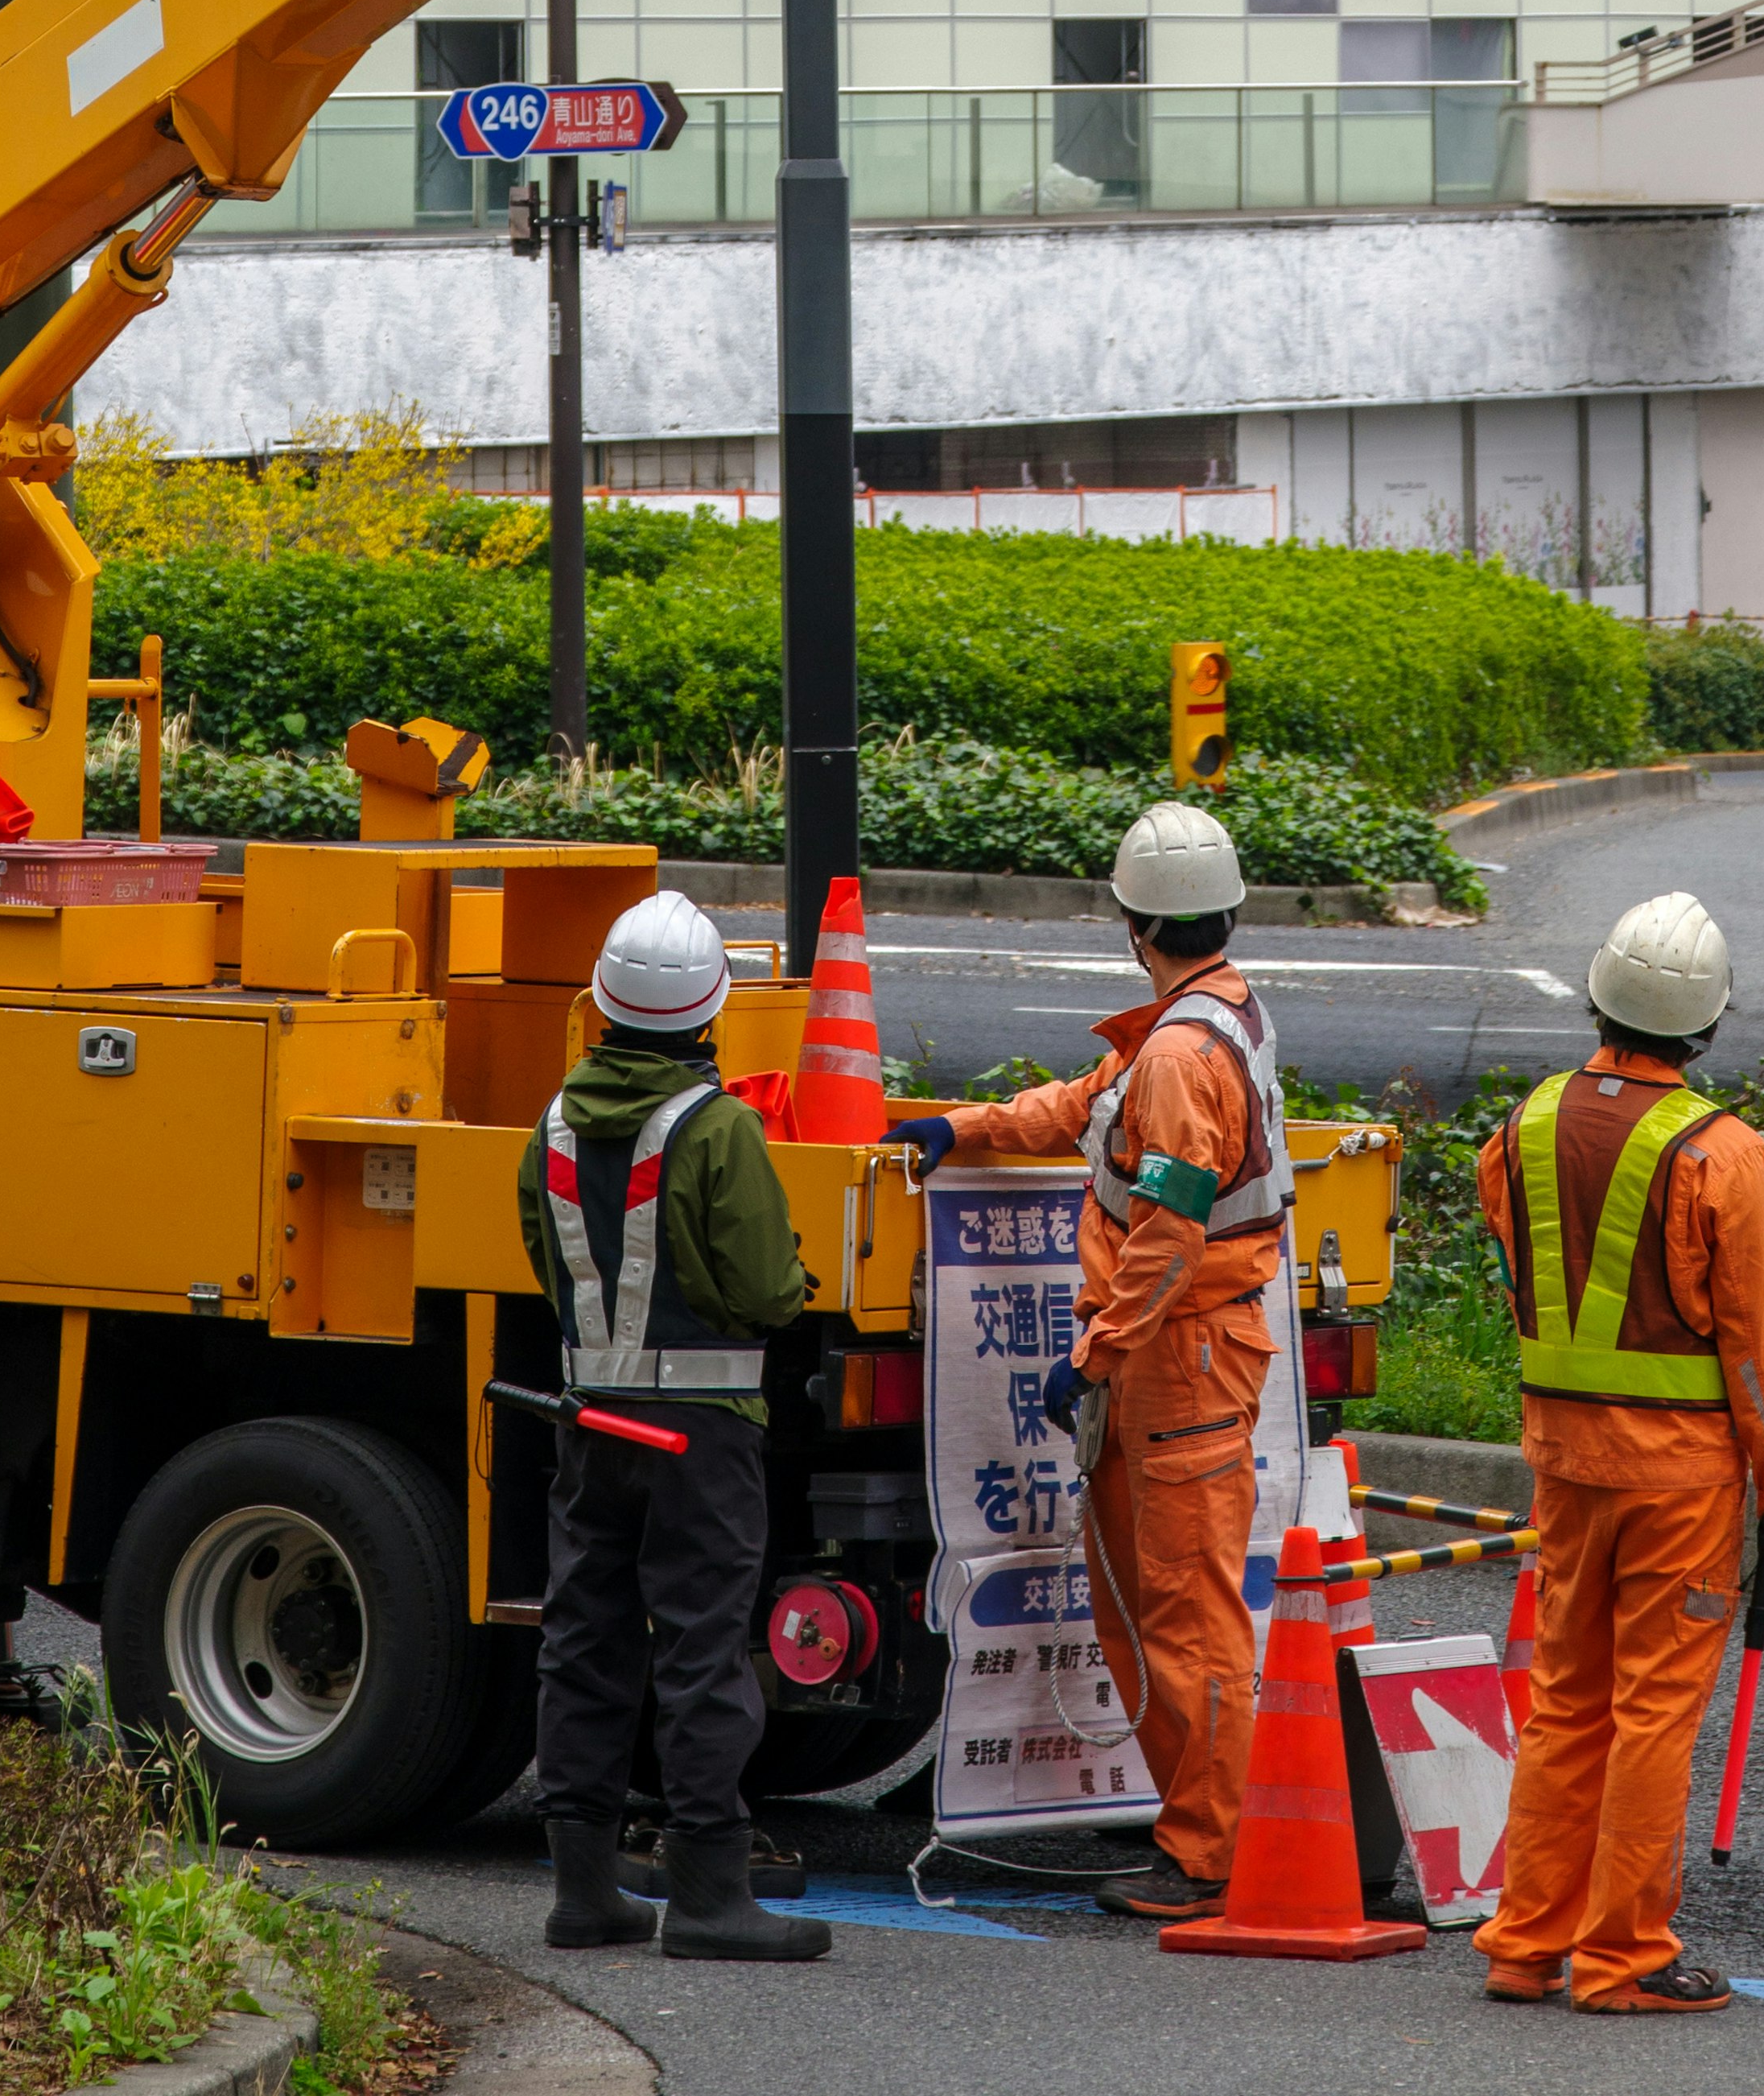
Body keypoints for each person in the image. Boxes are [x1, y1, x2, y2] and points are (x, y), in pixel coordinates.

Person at [907, 797, 1288, 1914]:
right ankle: (1204, 1830)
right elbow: (1086, 1108)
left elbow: (1167, 1229)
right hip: (1184, 1355)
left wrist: (1101, 1349)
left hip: (1174, 1360)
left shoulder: (1176, 1054)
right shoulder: (1219, 1019)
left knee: (1181, 1616)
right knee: (1159, 1609)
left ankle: (1209, 1851)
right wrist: (968, 1127)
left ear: (1135, 925)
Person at [1472, 889, 1764, 2019]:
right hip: (1682, 1480)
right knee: (1654, 1710)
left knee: (1567, 1699)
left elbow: (1524, 1265)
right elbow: (1759, 1352)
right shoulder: (1725, 1153)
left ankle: (1525, 1943)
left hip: (1564, 1460)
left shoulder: (1520, 1127)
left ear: (1595, 998)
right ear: (1709, 1025)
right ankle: (1622, 1959)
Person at [517, 885, 827, 1964]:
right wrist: (792, 1287)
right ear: (709, 1012)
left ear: (602, 1003)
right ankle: (707, 1894)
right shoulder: (720, 1125)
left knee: (585, 1645)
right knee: (699, 1650)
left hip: (587, 1417)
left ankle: (584, 1892)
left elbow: (546, 1264)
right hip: (701, 1433)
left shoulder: (551, 1122)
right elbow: (763, 1285)